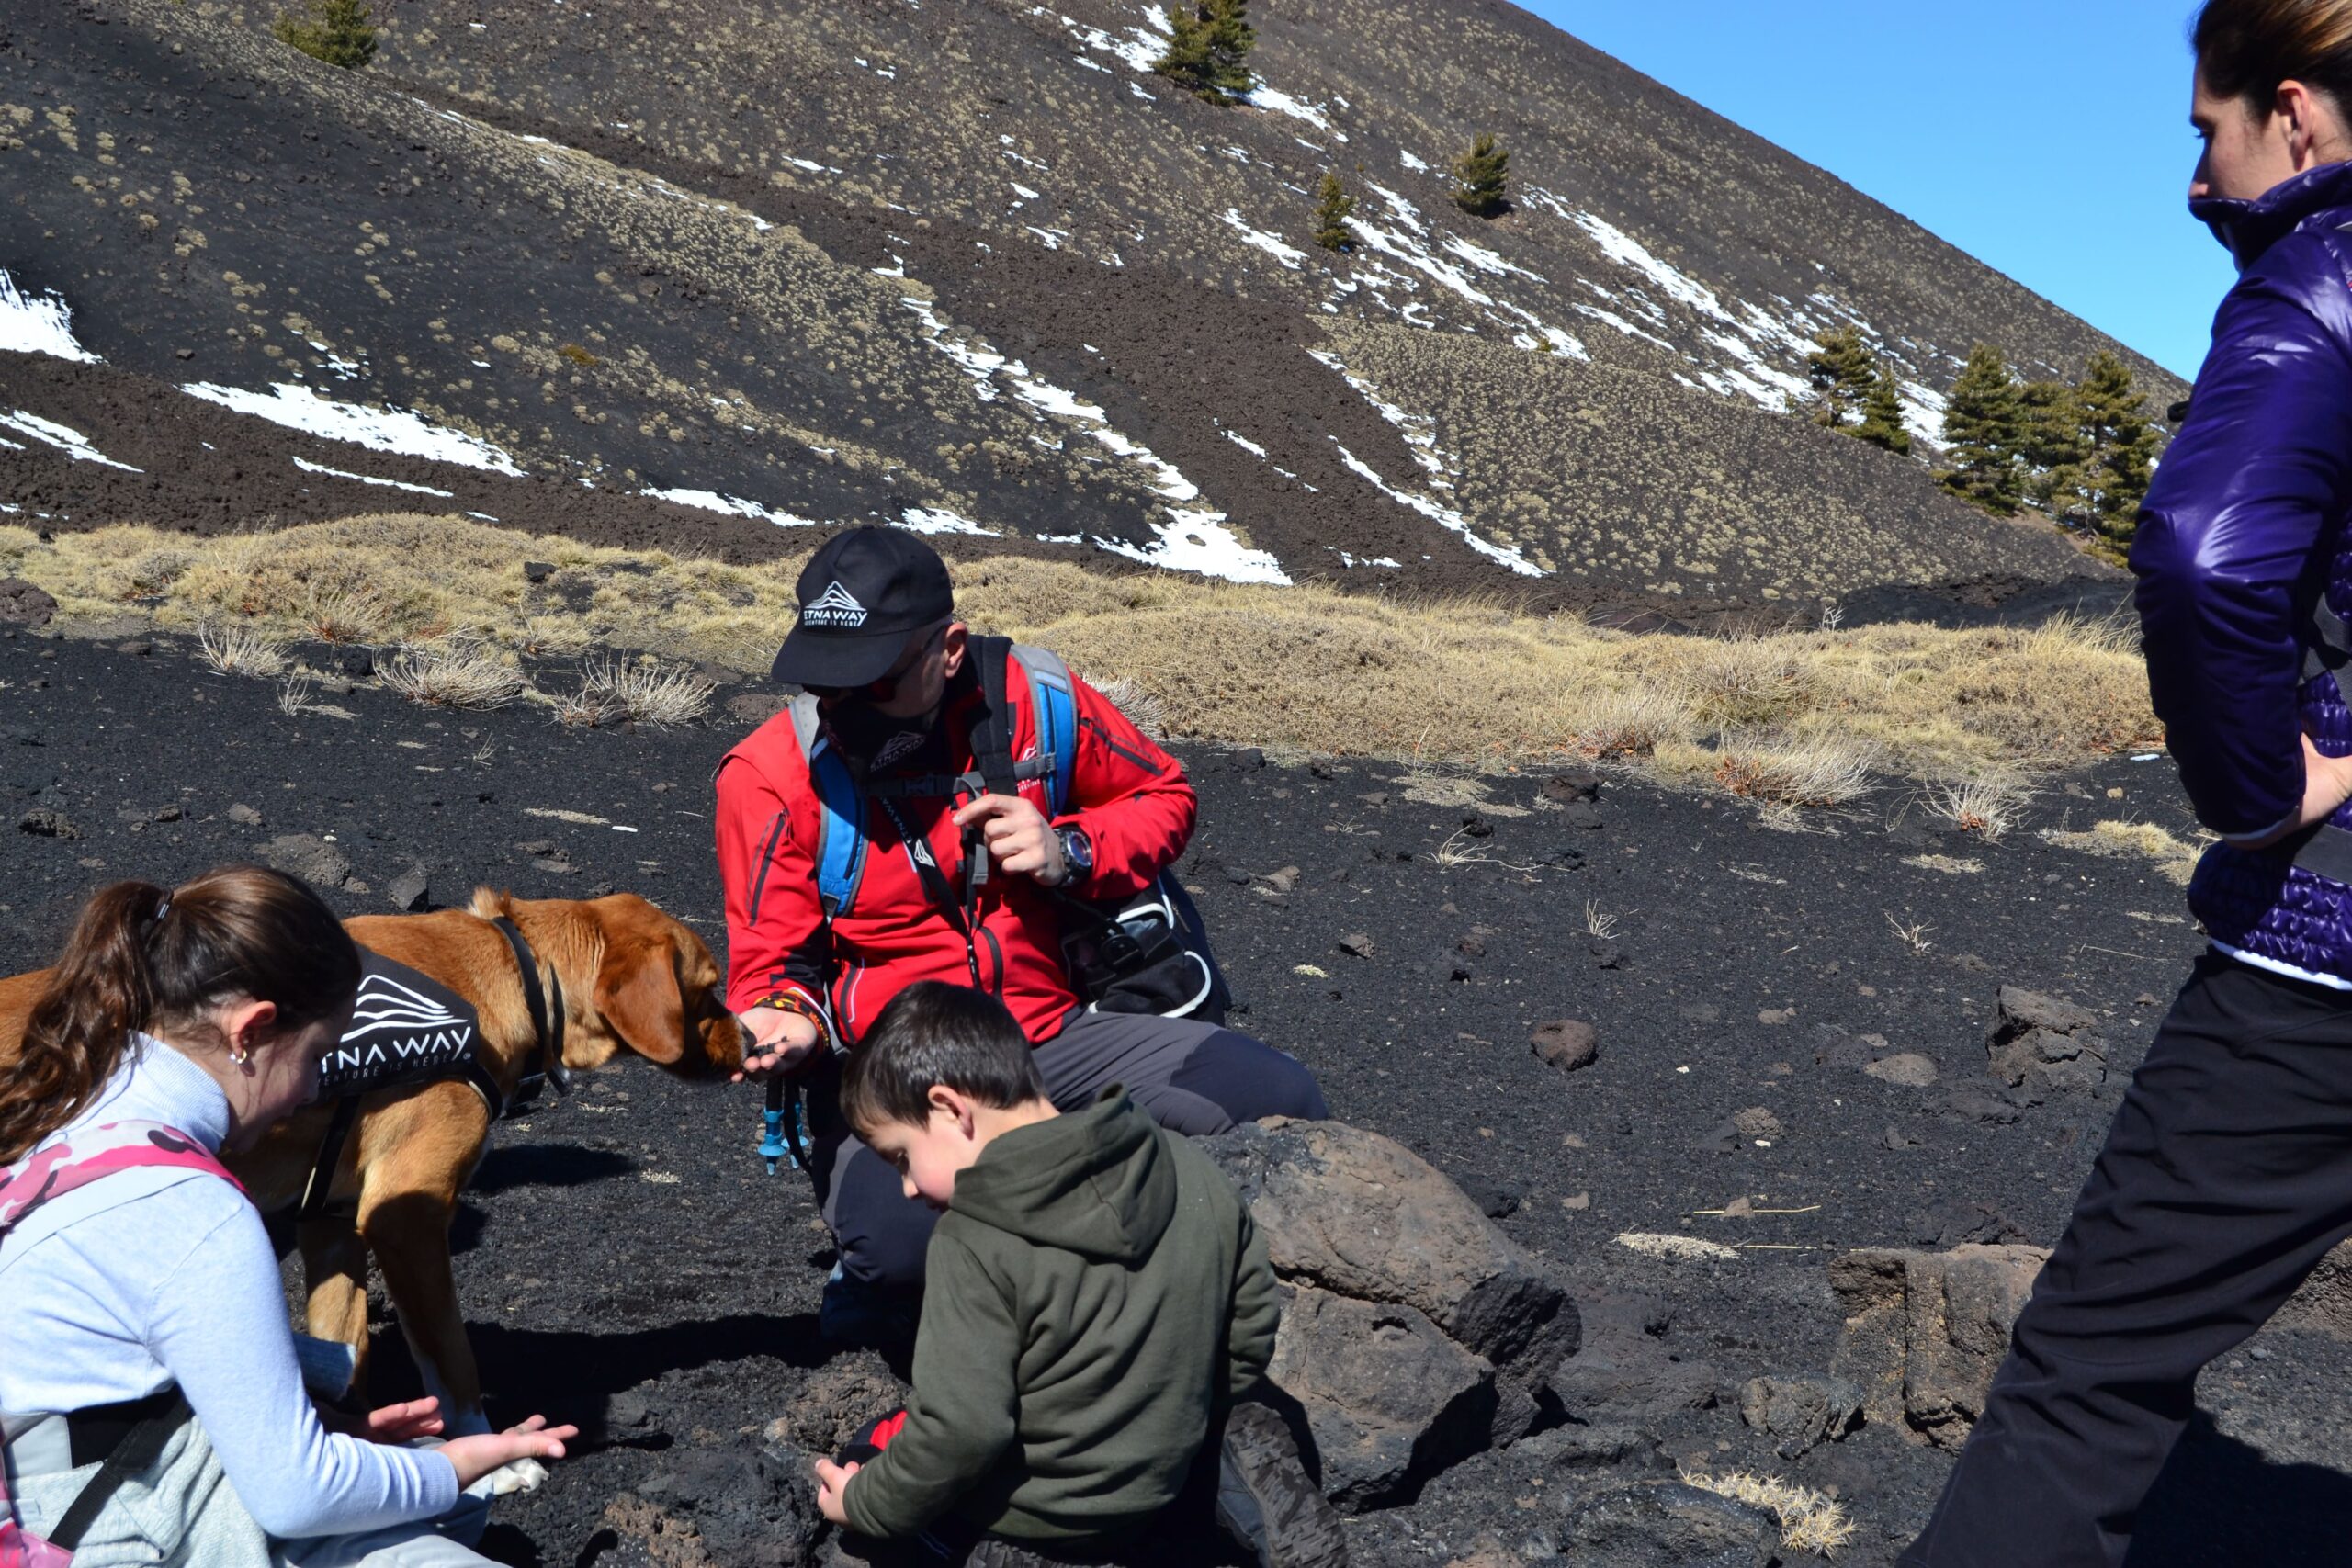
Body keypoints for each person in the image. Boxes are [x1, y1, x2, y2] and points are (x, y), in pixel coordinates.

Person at [1902, 5, 2352, 1563]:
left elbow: (2207, 552)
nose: (2191, 178)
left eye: (2204, 129)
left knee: (2094, 1364)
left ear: (2294, 115)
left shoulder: (2322, 285)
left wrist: (2257, 791)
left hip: (2329, 959)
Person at [715, 526, 1328, 1338]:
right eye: (829, 684)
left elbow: (1165, 796)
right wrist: (785, 1016)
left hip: (1051, 1033)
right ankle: (887, 1272)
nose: (845, 706)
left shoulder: (1037, 703)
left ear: (950, 648)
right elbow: (771, 966)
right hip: (894, 1073)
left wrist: (1067, 848)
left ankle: (1177, 1280)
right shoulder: (769, 777)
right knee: (905, 1248)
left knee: (1278, 1103)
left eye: (874, 680)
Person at [0, 868, 575, 1568]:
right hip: (105, 1522)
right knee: (452, 1512)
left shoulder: (65, 1116)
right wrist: (463, 1458)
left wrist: (328, 1415)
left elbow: (117, 1325)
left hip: (53, 1467)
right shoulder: (202, 1211)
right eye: (319, 1058)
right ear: (251, 1032)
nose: (314, 1090)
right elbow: (298, 1495)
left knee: (445, 1504)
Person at [809, 983, 1343, 1567]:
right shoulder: (1181, 1161)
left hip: (1044, 1516)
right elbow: (1251, 1324)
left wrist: (865, 1504)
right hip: (1167, 1464)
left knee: (873, 1463)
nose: (907, 1188)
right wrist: (1180, 1411)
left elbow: (963, 1429)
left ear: (950, 1109)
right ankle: (1207, 1491)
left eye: (902, 1158)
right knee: (1219, 1424)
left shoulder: (973, 1240)